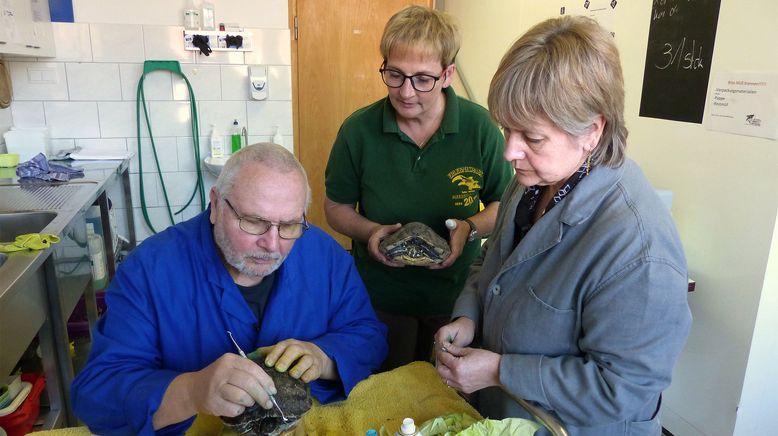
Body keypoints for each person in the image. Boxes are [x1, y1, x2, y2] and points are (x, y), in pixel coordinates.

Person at [433, 16, 692, 436]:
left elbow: (622, 389)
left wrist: (502, 371)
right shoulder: (534, 181)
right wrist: (468, 318)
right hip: (510, 417)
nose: (509, 152)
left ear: (591, 131)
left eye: (531, 138)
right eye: (506, 130)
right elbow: (491, 260)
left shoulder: (639, 249)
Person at [71, 143, 387, 435]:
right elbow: (97, 393)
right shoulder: (150, 271)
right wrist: (191, 391)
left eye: (289, 225)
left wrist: (324, 358)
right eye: (253, 221)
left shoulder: (323, 255)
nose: (273, 245)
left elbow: (368, 336)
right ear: (216, 205)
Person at [324, 5, 513, 371]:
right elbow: (336, 208)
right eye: (394, 74)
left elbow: (502, 204)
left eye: (422, 79)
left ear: (448, 74)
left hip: (456, 299)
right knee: (379, 395)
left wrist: (469, 228)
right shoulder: (358, 131)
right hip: (377, 297)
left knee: (444, 400)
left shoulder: (480, 129)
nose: (406, 92)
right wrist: (371, 232)